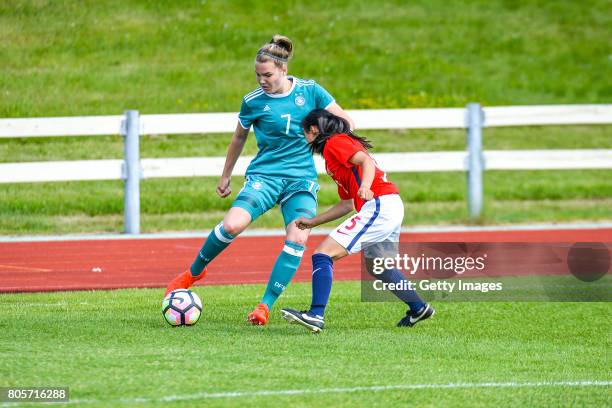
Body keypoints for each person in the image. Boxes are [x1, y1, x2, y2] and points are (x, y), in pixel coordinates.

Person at [164, 35, 354, 326]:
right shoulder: (253, 101)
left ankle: (264, 306)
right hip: (264, 176)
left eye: (267, 75)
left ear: (283, 71)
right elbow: (238, 137)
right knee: (232, 224)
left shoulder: (310, 91)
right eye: (257, 75)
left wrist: (334, 145)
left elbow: (346, 122)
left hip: (300, 181)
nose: (262, 80)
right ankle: (193, 273)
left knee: (299, 236)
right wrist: (225, 175)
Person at [280, 109, 434, 333]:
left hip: (379, 205)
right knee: (379, 267)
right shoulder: (332, 158)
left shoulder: (335, 142)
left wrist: (365, 186)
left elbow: (366, 162)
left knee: (323, 254)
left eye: (305, 132)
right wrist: (314, 222)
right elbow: (346, 204)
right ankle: (418, 307)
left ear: (313, 130)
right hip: (388, 205)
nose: (304, 137)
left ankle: (315, 314)